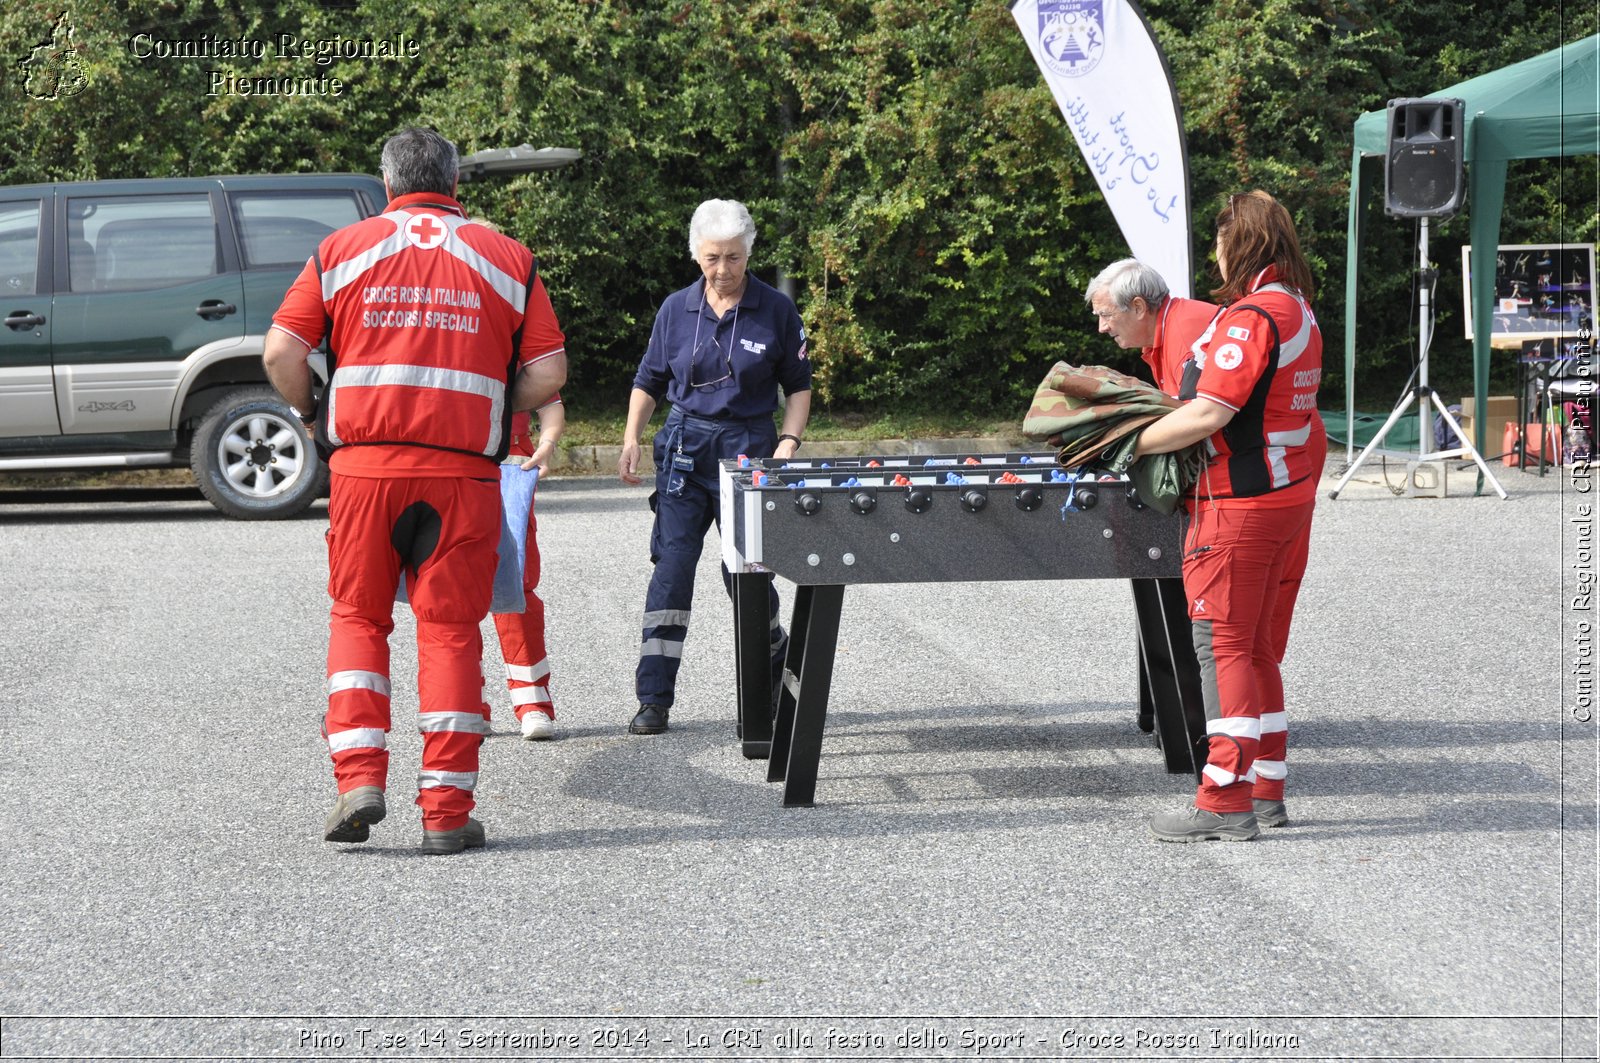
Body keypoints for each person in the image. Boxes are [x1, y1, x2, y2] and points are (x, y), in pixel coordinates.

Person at [263, 126, 567, 854]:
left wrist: (310, 415)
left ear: (388, 185)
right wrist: (494, 403)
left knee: (359, 618)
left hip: (365, 470)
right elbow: (549, 374)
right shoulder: (508, 258)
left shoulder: (342, 250)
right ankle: (446, 812)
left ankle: (359, 778)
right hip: (463, 474)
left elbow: (282, 350)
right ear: (455, 185)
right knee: (451, 631)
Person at [1131, 190, 1327, 842]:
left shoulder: (1252, 317)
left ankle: (1224, 801)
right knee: (1258, 647)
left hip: (1236, 506)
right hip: (1281, 497)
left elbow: (1212, 410)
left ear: (1241, 243)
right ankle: (1266, 789)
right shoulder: (1298, 307)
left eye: (1220, 239)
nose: (1214, 251)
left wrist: (1130, 443)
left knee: (1224, 648)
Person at [618, 199, 812, 735]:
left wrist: (789, 442)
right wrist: (632, 436)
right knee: (672, 571)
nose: (723, 269)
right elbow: (648, 379)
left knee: (746, 574)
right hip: (684, 450)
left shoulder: (775, 309)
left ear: (748, 252)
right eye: (712, 258)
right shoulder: (675, 309)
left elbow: (798, 387)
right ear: (696, 255)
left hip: (749, 446)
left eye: (733, 256)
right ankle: (654, 698)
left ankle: (773, 681)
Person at [492, 397, 564, 741]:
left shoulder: (517, 341)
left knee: (515, 585)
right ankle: (463, 705)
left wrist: (547, 444)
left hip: (509, 467)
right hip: (446, 463)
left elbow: (550, 401)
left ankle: (532, 701)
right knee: (450, 592)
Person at [1084, 258, 1218, 396]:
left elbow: (1200, 415)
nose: (1102, 327)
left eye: (1106, 314)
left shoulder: (1185, 343)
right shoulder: (1168, 328)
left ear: (1139, 307)